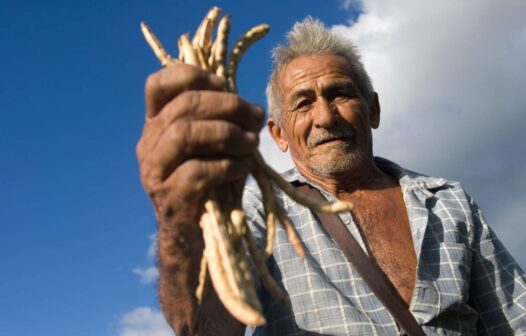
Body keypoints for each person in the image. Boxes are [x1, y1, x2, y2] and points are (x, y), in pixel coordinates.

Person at [136, 17, 526, 335]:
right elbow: (204, 328)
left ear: (372, 110)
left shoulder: (448, 201)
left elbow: (515, 319)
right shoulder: (258, 210)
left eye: (340, 94)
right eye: (303, 104)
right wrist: (177, 221)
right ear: (278, 134)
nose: (325, 117)